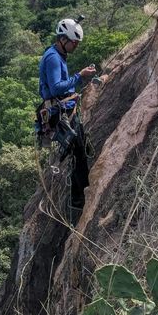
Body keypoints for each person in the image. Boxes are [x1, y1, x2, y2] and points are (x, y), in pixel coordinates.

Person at [38, 18, 96, 209]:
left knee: (78, 148)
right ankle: (80, 199)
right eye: (74, 42)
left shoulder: (56, 53)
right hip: (59, 112)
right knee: (78, 152)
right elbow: (55, 89)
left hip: (61, 109)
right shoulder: (54, 58)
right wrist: (80, 76)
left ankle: (77, 196)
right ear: (63, 39)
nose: (76, 46)